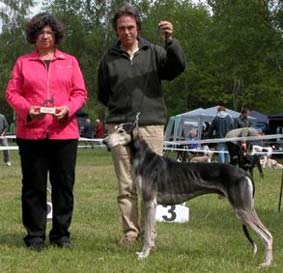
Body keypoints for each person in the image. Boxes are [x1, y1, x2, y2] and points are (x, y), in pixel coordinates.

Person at [97, 4, 185, 247]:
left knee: (151, 184)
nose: (127, 32)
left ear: (138, 28)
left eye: (131, 27)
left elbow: (177, 68)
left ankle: (149, 234)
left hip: (151, 126)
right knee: (126, 184)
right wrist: (121, 114)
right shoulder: (109, 58)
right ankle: (130, 232)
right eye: (121, 28)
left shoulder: (154, 52)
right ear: (116, 31)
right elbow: (103, 93)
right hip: (119, 127)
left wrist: (170, 41)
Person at [5, 12, 87, 251]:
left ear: (56, 36)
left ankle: (61, 235)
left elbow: (80, 93)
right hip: (31, 134)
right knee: (33, 187)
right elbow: (12, 93)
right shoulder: (23, 63)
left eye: (49, 32)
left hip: (65, 134)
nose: (45, 36)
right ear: (34, 36)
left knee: (64, 186)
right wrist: (29, 110)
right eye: (41, 32)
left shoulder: (70, 62)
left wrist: (68, 108)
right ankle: (35, 236)